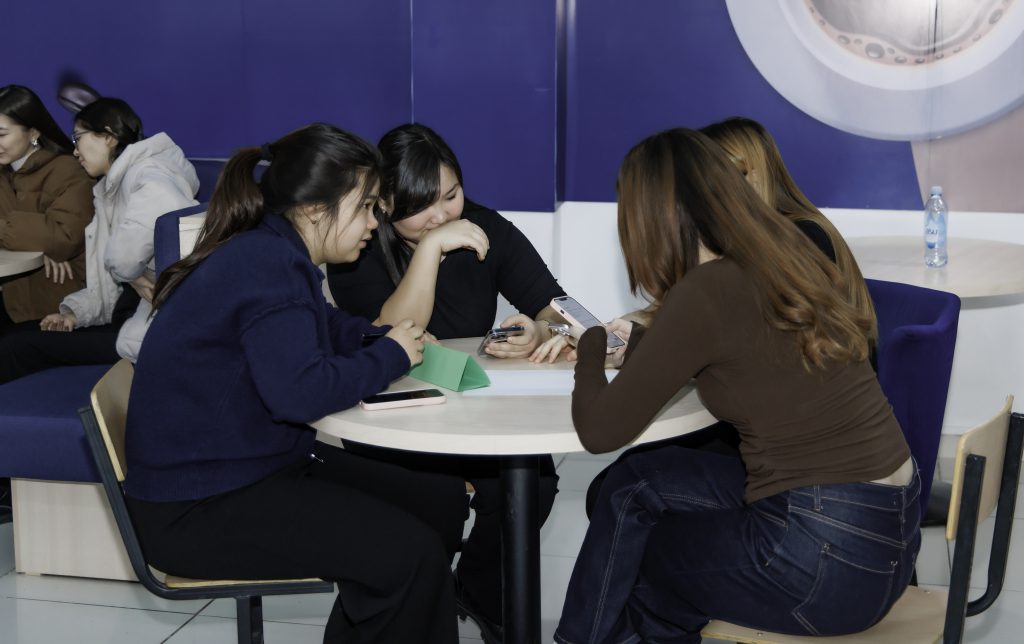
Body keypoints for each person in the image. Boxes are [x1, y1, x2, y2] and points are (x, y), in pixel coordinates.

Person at [554, 128, 920, 643]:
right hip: (889, 536)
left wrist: (591, 343)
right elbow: (737, 352)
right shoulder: (784, 255)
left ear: (651, 219)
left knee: (641, 553)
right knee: (635, 480)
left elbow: (598, 431)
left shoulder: (706, 291)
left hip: (827, 560)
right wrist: (637, 343)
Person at [125, 123, 468, 643]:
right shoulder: (269, 265)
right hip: (198, 505)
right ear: (312, 209)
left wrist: (380, 338)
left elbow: (322, 326)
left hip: (248, 468)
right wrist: (391, 354)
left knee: (437, 500)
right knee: (408, 556)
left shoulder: (272, 250)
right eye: (365, 207)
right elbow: (300, 393)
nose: (373, 222)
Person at [328, 122, 564, 642]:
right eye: (421, 206)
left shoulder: (484, 227)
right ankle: (412, 601)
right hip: (391, 417)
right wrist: (432, 248)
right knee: (433, 504)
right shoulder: (359, 243)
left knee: (534, 485)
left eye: (451, 195)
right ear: (384, 203)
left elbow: (559, 307)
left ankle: (476, 589)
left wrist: (541, 329)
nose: (442, 215)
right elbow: (393, 336)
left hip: (468, 407)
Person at [0, 97, 198, 383]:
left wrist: (131, 273)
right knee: (17, 336)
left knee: (15, 347)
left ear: (107, 137)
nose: (75, 150)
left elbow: (125, 259)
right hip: (130, 317)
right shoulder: (112, 189)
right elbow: (108, 284)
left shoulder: (149, 175)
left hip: (152, 329)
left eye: (78, 138)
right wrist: (74, 314)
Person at [0, 85, 94, 331]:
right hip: (12, 299)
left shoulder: (68, 170)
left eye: (1, 134)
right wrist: (39, 244)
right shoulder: (4, 172)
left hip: (58, 307)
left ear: (33, 132)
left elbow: (63, 237)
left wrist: (45, 245)